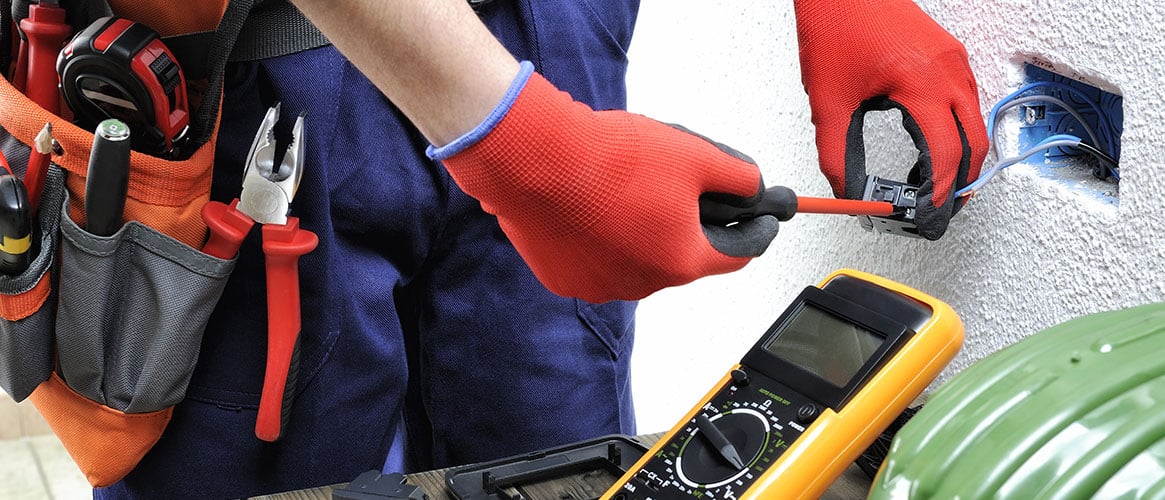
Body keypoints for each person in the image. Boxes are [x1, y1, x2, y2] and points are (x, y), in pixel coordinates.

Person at [89, 0, 986, 497]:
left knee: (559, 464)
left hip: (553, 41)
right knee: (254, 473)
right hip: (257, 60)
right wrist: (524, 148)